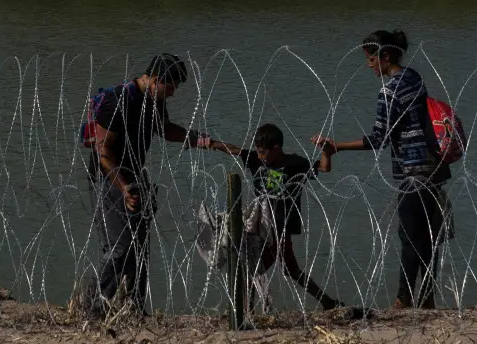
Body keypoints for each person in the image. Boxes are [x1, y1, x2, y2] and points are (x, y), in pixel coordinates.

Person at [313, 30, 449, 309]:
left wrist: (336, 146)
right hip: (434, 166)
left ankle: (403, 299)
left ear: (385, 56)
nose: (369, 65)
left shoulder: (389, 91)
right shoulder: (414, 77)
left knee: (410, 236)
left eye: (371, 59)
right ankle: (427, 298)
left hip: (413, 171)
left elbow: (378, 139)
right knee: (427, 236)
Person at [83, 53, 211, 318]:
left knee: (139, 247)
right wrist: (124, 187)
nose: (173, 93)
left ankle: (135, 308)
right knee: (119, 247)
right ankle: (94, 307)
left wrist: (196, 137)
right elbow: (103, 151)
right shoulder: (118, 101)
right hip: (111, 179)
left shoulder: (154, 99)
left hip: (135, 176)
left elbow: (163, 129)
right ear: (155, 79)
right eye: (171, 86)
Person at [207, 123, 348, 312]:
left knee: (257, 269)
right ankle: (326, 302)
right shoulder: (256, 160)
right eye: (257, 151)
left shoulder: (294, 164)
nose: (259, 156)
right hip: (261, 226)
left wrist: (325, 152)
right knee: (281, 269)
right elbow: (233, 149)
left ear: (276, 149)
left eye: (263, 152)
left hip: (281, 227)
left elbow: (324, 167)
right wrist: (208, 143)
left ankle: (245, 312)